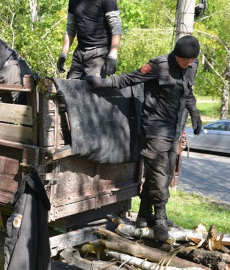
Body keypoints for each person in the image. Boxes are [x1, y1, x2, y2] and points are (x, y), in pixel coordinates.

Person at [86, 35, 203, 241]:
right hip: (155, 128)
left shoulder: (191, 67)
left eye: (193, 60)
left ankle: (143, 214)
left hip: (174, 131)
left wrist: (195, 114)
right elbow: (129, 79)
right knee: (159, 177)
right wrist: (103, 83)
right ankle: (160, 217)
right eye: (186, 60)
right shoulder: (159, 65)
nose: (190, 63)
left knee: (163, 174)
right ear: (177, 55)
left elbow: (187, 94)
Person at [57, 0, 122, 79]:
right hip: (80, 53)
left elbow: (116, 28)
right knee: (69, 89)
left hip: (99, 53)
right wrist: (63, 54)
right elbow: (71, 29)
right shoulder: (74, 0)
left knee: (91, 90)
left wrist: (113, 55)